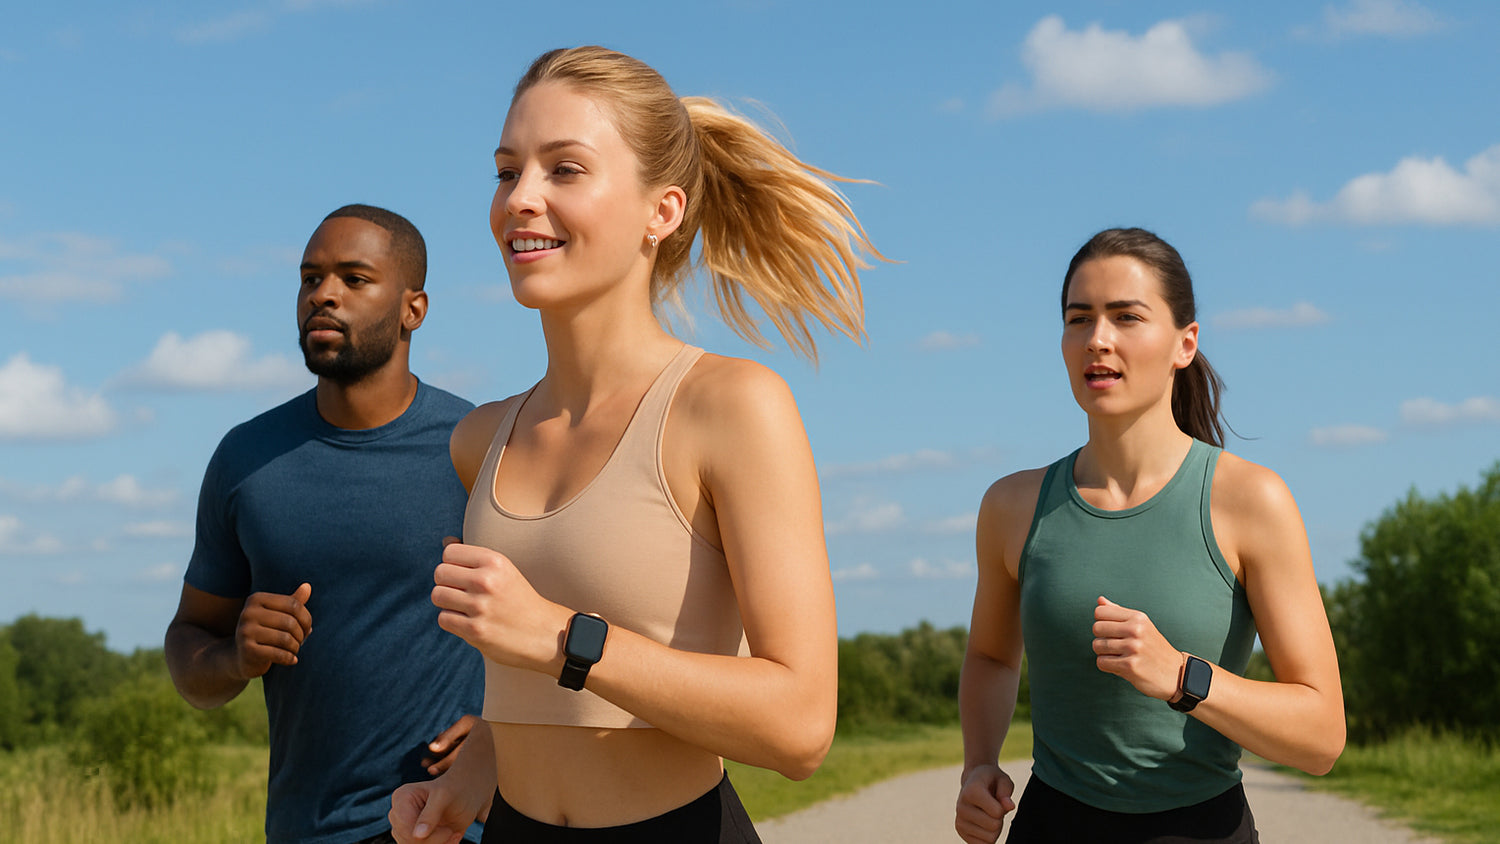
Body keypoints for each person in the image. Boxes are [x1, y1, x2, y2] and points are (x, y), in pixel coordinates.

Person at [387, 46, 885, 844]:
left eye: (565, 170)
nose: (521, 199)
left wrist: (560, 637)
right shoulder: (481, 439)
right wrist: (478, 768)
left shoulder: (730, 408)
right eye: (507, 171)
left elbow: (800, 728)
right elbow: (546, 701)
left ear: (663, 211)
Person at [955, 228, 1345, 844]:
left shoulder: (1250, 501)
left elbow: (1322, 736)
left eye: (1126, 317)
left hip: (1204, 829)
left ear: (1184, 343)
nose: (1097, 340)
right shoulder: (1011, 506)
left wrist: (1181, 676)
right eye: (1078, 319)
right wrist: (978, 763)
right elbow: (991, 657)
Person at [165, 204, 485, 844]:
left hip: (449, 824)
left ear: (413, 309)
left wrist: (506, 732)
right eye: (311, 279)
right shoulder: (246, 459)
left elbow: (564, 621)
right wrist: (233, 655)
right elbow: (189, 648)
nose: (324, 296)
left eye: (354, 279)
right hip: (304, 828)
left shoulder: (479, 447)